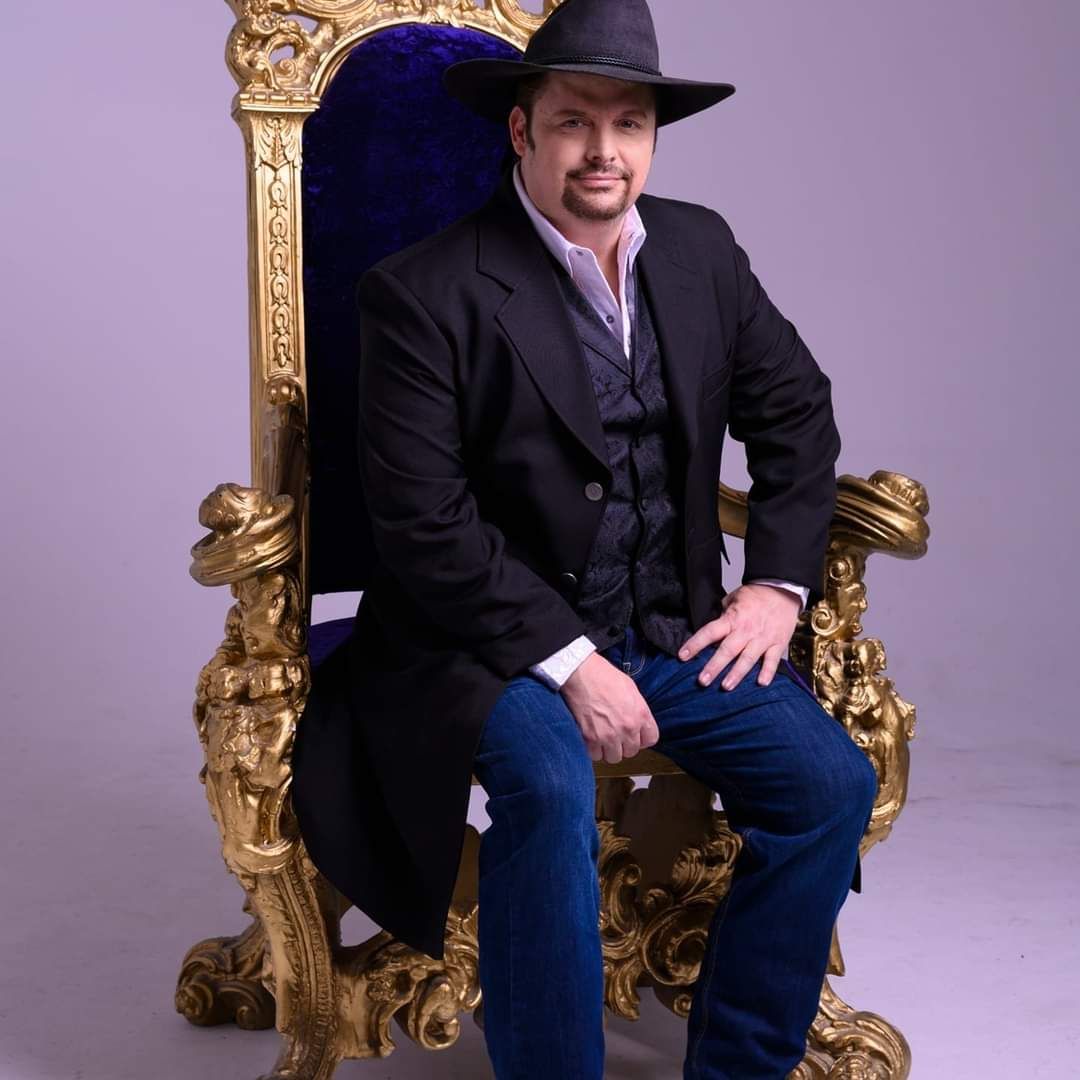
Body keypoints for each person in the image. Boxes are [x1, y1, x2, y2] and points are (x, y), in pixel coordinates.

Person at [290, 0, 879, 1075]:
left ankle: (740, 1067)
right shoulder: (421, 293)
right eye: (574, 121)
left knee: (828, 786)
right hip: (481, 643)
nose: (603, 149)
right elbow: (424, 523)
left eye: (628, 123)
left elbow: (797, 411)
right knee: (551, 784)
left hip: (670, 621)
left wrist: (775, 587)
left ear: (652, 137)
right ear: (523, 130)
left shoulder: (702, 250)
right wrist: (570, 663)